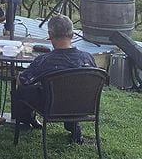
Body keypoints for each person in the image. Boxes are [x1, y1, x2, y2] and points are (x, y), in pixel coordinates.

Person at [13, 14, 95, 143]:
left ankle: (26, 120)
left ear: (50, 35)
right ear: (72, 35)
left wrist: (19, 77)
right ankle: (74, 126)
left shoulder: (45, 60)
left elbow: (23, 81)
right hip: (83, 106)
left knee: (22, 86)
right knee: (73, 89)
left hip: (51, 106)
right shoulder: (88, 57)